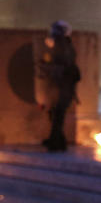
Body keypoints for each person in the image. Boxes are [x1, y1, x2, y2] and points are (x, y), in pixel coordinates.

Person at [38, 20, 80, 152]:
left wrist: (47, 66)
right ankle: (58, 141)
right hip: (59, 86)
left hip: (63, 86)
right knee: (55, 114)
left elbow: (64, 67)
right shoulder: (61, 45)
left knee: (58, 115)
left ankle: (56, 142)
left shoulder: (64, 46)